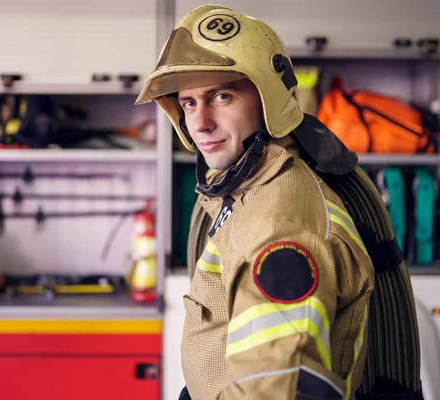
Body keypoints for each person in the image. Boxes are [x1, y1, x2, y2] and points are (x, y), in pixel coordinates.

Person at [136, 5, 423, 400]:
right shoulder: (243, 190)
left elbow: (277, 388)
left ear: (269, 100)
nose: (199, 123)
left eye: (220, 96)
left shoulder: (281, 223)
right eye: (187, 103)